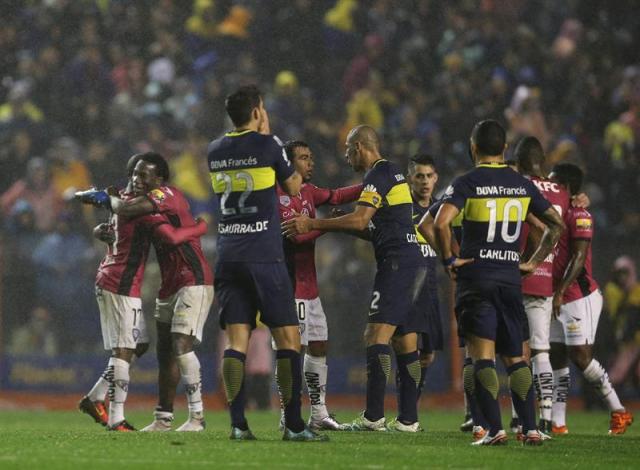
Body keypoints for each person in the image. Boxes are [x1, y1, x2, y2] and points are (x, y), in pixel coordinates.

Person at [283, 125, 424, 432]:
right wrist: (338, 225)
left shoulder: (377, 174)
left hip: (396, 265)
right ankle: (409, 420)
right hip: (411, 261)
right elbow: (373, 230)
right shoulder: (393, 173)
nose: (346, 156)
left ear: (359, 147)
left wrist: (314, 224)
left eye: (348, 150)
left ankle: (373, 417)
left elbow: (361, 218)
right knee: (404, 340)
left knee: (375, 337)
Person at [433, 120, 565, 446]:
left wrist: (449, 260)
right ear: (505, 149)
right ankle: (531, 428)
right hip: (510, 279)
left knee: (483, 357)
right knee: (516, 358)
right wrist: (533, 262)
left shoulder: (468, 182)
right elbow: (555, 224)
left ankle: (493, 429)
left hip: (476, 277)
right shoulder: (520, 184)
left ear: (473, 147)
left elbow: (440, 222)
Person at [207, 85, 326, 442]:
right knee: (288, 338)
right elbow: (293, 187)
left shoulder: (214, 150)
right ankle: (293, 425)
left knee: (237, 339)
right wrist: (267, 132)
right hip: (264, 253)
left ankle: (238, 425)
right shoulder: (269, 144)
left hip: (228, 253)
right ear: (258, 111)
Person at [76, 153, 207, 431]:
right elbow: (168, 235)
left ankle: (96, 397)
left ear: (159, 180)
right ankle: (117, 419)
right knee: (125, 348)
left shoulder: (142, 200)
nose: (136, 179)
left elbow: (114, 217)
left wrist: (103, 217)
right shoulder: (138, 208)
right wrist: (200, 227)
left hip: (137, 280)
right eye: (134, 174)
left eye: (143, 175)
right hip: (121, 282)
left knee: (139, 345)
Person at [278, 140, 362, 431]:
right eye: (303, 157)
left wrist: (372, 185)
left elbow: (338, 195)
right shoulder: (278, 196)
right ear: (288, 164)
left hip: (310, 289)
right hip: (290, 290)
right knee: (293, 351)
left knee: (319, 346)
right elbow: (297, 236)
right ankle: (288, 414)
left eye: (311, 156)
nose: (310, 162)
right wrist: (322, 224)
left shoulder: (309, 192)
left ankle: (318, 413)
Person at [549, 163, 634, 435]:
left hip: (578, 296)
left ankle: (619, 411)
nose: (549, 187)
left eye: (554, 183)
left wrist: (560, 292)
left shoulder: (579, 214)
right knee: (557, 357)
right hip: (556, 297)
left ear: (567, 187)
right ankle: (558, 423)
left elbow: (578, 258)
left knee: (581, 358)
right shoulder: (552, 213)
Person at [514, 136, 571, 434]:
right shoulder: (563, 192)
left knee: (514, 350)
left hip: (516, 272)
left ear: (519, 162)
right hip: (545, 279)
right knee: (541, 350)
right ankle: (547, 417)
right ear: (543, 160)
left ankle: (515, 415)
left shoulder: (518, 186)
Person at [403, 155, 443, 401]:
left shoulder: (442, 210)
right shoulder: (402, 208)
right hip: (407, 289)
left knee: (427, 355)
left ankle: (411, 405)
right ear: (410, 179)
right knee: (406, 350)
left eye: (429, 176)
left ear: (436, 178)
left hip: (430, 290)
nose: (425, 181)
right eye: (419, 176)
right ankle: (406, 408)